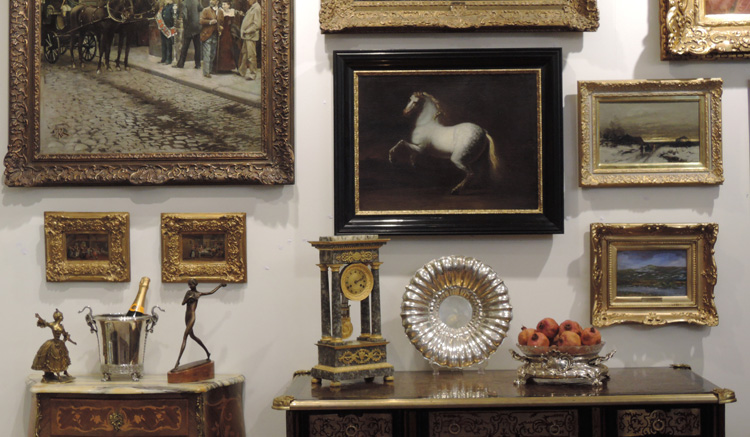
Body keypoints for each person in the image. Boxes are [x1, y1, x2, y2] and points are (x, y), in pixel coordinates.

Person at [172, 279, 227, 370]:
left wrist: (220, 285)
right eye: (188, 284)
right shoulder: (188, 292)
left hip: (192, 316)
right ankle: (207, 352)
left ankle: (177, 362)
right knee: (193, 336)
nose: (189, 286)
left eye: (191, 284)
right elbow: (183, 303)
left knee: (185, 337)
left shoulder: (198, 294)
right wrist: (189, 297)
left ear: (195, 284)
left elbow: (210, 292)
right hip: (186, 316)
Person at [32, 309, 77, 382]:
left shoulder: (61, 326)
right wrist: (39, 317)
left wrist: (71, 341)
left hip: (60, 343)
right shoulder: (52, 324)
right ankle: (58, 375)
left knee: (64, 358)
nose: (62, 317)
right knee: (56, 359)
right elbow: (45, 322)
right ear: (59, 317)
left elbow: (65, 335)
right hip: (53, 344)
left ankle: (65, 372)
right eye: (61, 316)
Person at [173, 0, 202, 69]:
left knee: (185, 47)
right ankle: (198, 64)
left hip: (189, 28)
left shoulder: (184, 3)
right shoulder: (196, 2)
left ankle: (181, 64)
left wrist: (185, 26)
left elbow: (185, 16)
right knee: (197, 47)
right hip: (197, 27)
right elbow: (201, 9)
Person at [238, 0, 260, 80]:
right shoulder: (252, 7)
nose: (247, 0)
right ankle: (242, 71)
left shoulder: (257, 8)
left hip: (251, 36)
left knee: (251, 55)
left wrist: (247, 31)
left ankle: (253, 74)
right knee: (244, 53)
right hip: (247, 36)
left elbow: (257, 24)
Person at [199, 0, 221, 78]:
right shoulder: (206, 10)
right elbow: (201, 21)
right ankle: (206, 72)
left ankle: (210, 69)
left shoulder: (220, 11)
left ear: (217, 2)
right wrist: (210, 22)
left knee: (212, 54)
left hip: (215, 35)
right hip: (207, 35)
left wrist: (220, 28)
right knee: (207, 54)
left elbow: (221, 21)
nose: (211, 1)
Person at [216, 1, 237, 73]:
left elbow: (233, 23)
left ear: (229, 5)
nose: (223, 6)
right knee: (222, 49)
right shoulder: (220, 11)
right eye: (222, 4)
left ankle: (228, 67)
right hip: (223, 32)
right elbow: (219, 22)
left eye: (225, 4)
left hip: (229, 33)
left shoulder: (232, 12)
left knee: (229, 49)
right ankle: (221, 68)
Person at [157, 0, 178, 64]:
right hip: (163, 28)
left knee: (168, 44)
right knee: (164, 44)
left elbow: (175, 17)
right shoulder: (164, 7)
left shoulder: (173, 7)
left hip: (169, 28)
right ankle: (163, 58)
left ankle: (169, 59)